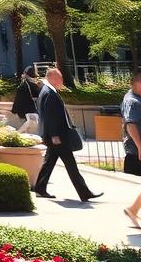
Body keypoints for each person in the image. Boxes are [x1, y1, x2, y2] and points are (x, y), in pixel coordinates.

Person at [32, 67, 102, 201]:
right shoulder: (49, 93)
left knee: (50, 162)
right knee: (71, 165)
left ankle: (40, 188)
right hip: (57, 136)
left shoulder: (47, 91)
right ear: (52, 77)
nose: (62, 80)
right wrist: (54, 135)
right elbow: (49, 116)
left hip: (55, 135)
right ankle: (84, 193)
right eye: (60, 78)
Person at [121, 71, 141, 231]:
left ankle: (134, 211)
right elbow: (130, 124)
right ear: (139, 83)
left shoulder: (140, 99)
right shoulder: (132, 101)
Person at [10, 65, 42, 132]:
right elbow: (38, 96)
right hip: (32, 111)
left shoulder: (23, 85)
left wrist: (14, 110)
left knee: (27, 128)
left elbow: (18, 99)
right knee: (32, 129)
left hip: (23, 112)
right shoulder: (34, 85)